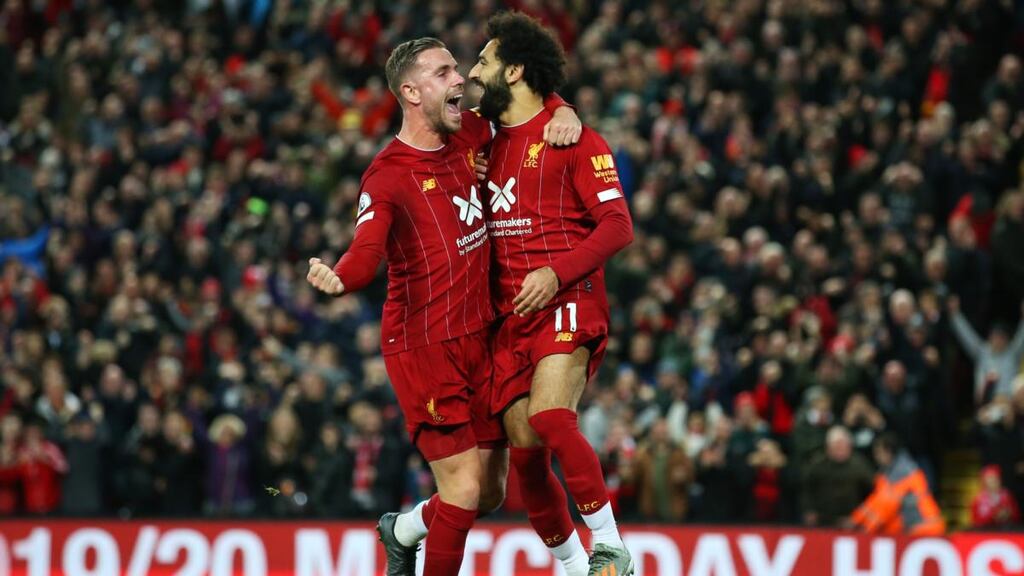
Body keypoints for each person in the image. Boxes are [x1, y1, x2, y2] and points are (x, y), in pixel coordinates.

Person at [306, 36, 580, 576]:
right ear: (411, 92)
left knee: (490, 493)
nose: (461, 79)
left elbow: (526, 110)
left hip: (483, 335)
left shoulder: (470, 133)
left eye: (458, 68)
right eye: (444, 72)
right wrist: (340, 278)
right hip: (424, 346)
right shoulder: (387, 175)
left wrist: (562, 107)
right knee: (462, 489)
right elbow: (366, 249)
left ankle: (404, 529)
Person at [467, 12, 635, 575]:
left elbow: (617, 226)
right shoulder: (484, 145)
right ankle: (569, 565)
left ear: (514, 71)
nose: (474, 71)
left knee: (550, 417)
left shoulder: (576, 138)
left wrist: (555, 273)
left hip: (568, 298)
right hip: (510, 318)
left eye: (484, 62)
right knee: (525, 454)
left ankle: (611, 547)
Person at [851, 433, 945, 536]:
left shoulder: (904, 473)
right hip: (914, 529)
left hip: (925, 528)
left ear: (889, 452)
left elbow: (888, 506)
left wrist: (865, 531)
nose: (876, 457)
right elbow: (875, 502)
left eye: (878, 453)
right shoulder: (888, 473)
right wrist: (855, 520)